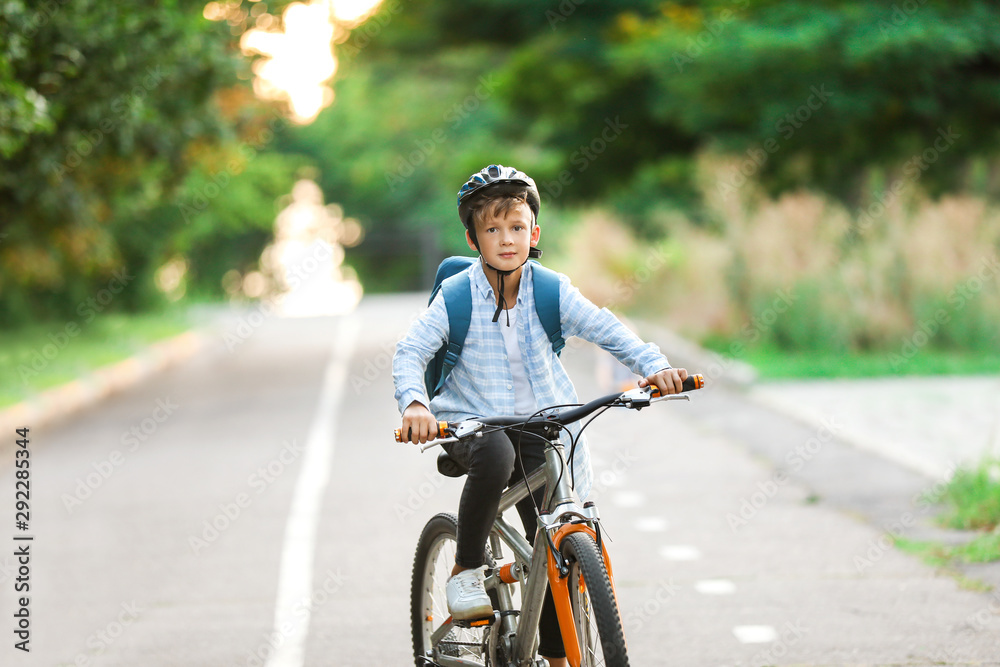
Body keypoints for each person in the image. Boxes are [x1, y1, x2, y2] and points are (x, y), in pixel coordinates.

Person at [393, 164, 687, 666]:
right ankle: (466, 568)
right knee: (496, 449)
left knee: (548, 547)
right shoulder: (458, 295)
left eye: (517, 227)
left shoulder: (550, 290)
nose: (507, 240)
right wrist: (416, 404)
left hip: (543, 421)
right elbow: (410, 351)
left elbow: (606, 329)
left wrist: (655, 367)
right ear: (473, 237)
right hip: (472, 421)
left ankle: (554, 657)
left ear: (534, 232)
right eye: (492, 229)